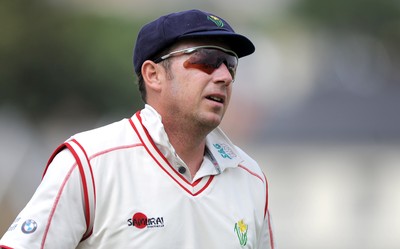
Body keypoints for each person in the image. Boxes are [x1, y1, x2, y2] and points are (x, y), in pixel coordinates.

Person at [0, 9, 275, 248]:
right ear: (153, 74)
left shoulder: (251, 179)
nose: (225, 76)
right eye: (207, 60)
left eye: (230, 64)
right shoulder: (88, 163)